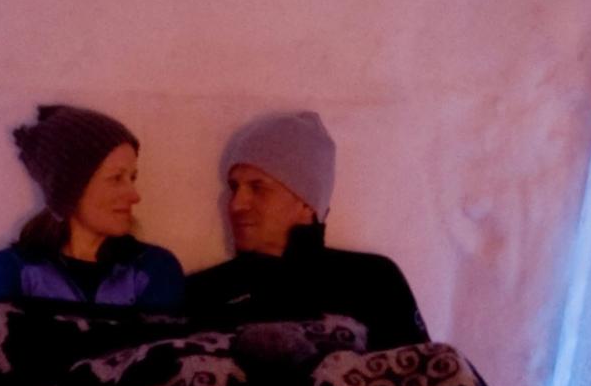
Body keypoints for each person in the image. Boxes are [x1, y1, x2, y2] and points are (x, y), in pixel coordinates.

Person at [181, 109, 427, 348]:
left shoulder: (372, 281)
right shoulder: (201, 292)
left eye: (258, 188)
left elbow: (424, 380)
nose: (236, 204)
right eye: (234, 187)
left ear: (307, 203)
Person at [0, 104, 186, 311]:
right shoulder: (10, 270)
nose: (134, 195)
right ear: (69, 190)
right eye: (116, 178)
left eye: (132, 178)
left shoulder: (154, 268)